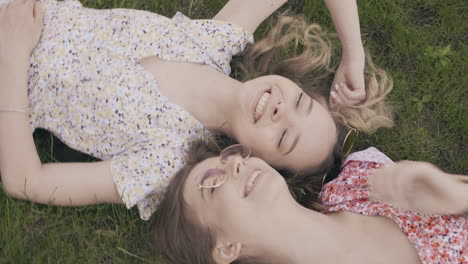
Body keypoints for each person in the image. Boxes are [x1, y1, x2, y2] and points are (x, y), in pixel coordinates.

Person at [0, 0, 392, 220]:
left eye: (285, 137)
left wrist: (13, 52)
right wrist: (353, 54)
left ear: (250, 160)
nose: (280, 109)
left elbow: (26, 181)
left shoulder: (167, 161)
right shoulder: (212, 40)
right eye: (301, 102)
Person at [152, 140, 468, 264]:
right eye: (212, 185)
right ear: (225, 247)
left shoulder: (361, 182)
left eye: (230, 158)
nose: (236, 164)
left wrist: (454, 193)